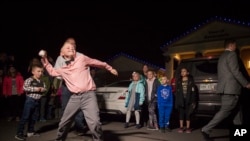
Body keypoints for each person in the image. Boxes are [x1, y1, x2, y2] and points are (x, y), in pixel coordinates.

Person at [40, 42, 118, 141]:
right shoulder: (62, 69)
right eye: (67, 48)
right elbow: (51, 71)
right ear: (61, 53)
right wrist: (44, 58)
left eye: (73, 48)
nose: (71, 48)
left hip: (89, 96)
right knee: (64, 123)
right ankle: (59, 139)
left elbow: (96, 62)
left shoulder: (81, 59)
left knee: (95, 123)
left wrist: (109, 68)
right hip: (75, 98)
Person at [201, 39, 250, 140]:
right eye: (235, 45)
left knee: (237, 112)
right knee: (225, 111)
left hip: (226, 89)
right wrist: (246, 83)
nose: (236, 47)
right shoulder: (232, 55)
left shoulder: (222, 56)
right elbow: (236, 71)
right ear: (231, 45)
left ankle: (239, 134)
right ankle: (206, 129)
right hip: (231, 89)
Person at [53, 37, 87, 135]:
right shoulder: (60, 58)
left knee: (78, 108)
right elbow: (57, 73)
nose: (73, 45)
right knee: (65, 107)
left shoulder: (80, 56)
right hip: (66, 86)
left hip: (78, 86)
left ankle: (79, 128)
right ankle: (64, 129)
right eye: (70, 43)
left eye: (74, 44)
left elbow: (86, 69)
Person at [15, 64, 47, 141]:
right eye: (38, 71)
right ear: (33, 72)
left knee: (34, 117)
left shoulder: (41, 81)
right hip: (30, 100)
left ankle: (30, 131)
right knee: (25, 117)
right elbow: (25, 88)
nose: (40, 73)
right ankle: (19, 133)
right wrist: (36, 89)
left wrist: (43, 89)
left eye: (41, 71)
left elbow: (45, 88)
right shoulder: (29, 80)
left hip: (37, 101)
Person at [175, 67, 197, 133]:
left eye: (184, 71)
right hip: (181, 100)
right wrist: (177, 101)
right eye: (182, 71)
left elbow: (193, 92)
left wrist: (193, 101)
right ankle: (181, 127)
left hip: (189, 100)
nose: (183, 72)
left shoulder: (191, 81)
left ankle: (188, 128)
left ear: (187, 72)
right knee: (181, 114)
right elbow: (177, 92)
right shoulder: (179, 81)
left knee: (188, 114)